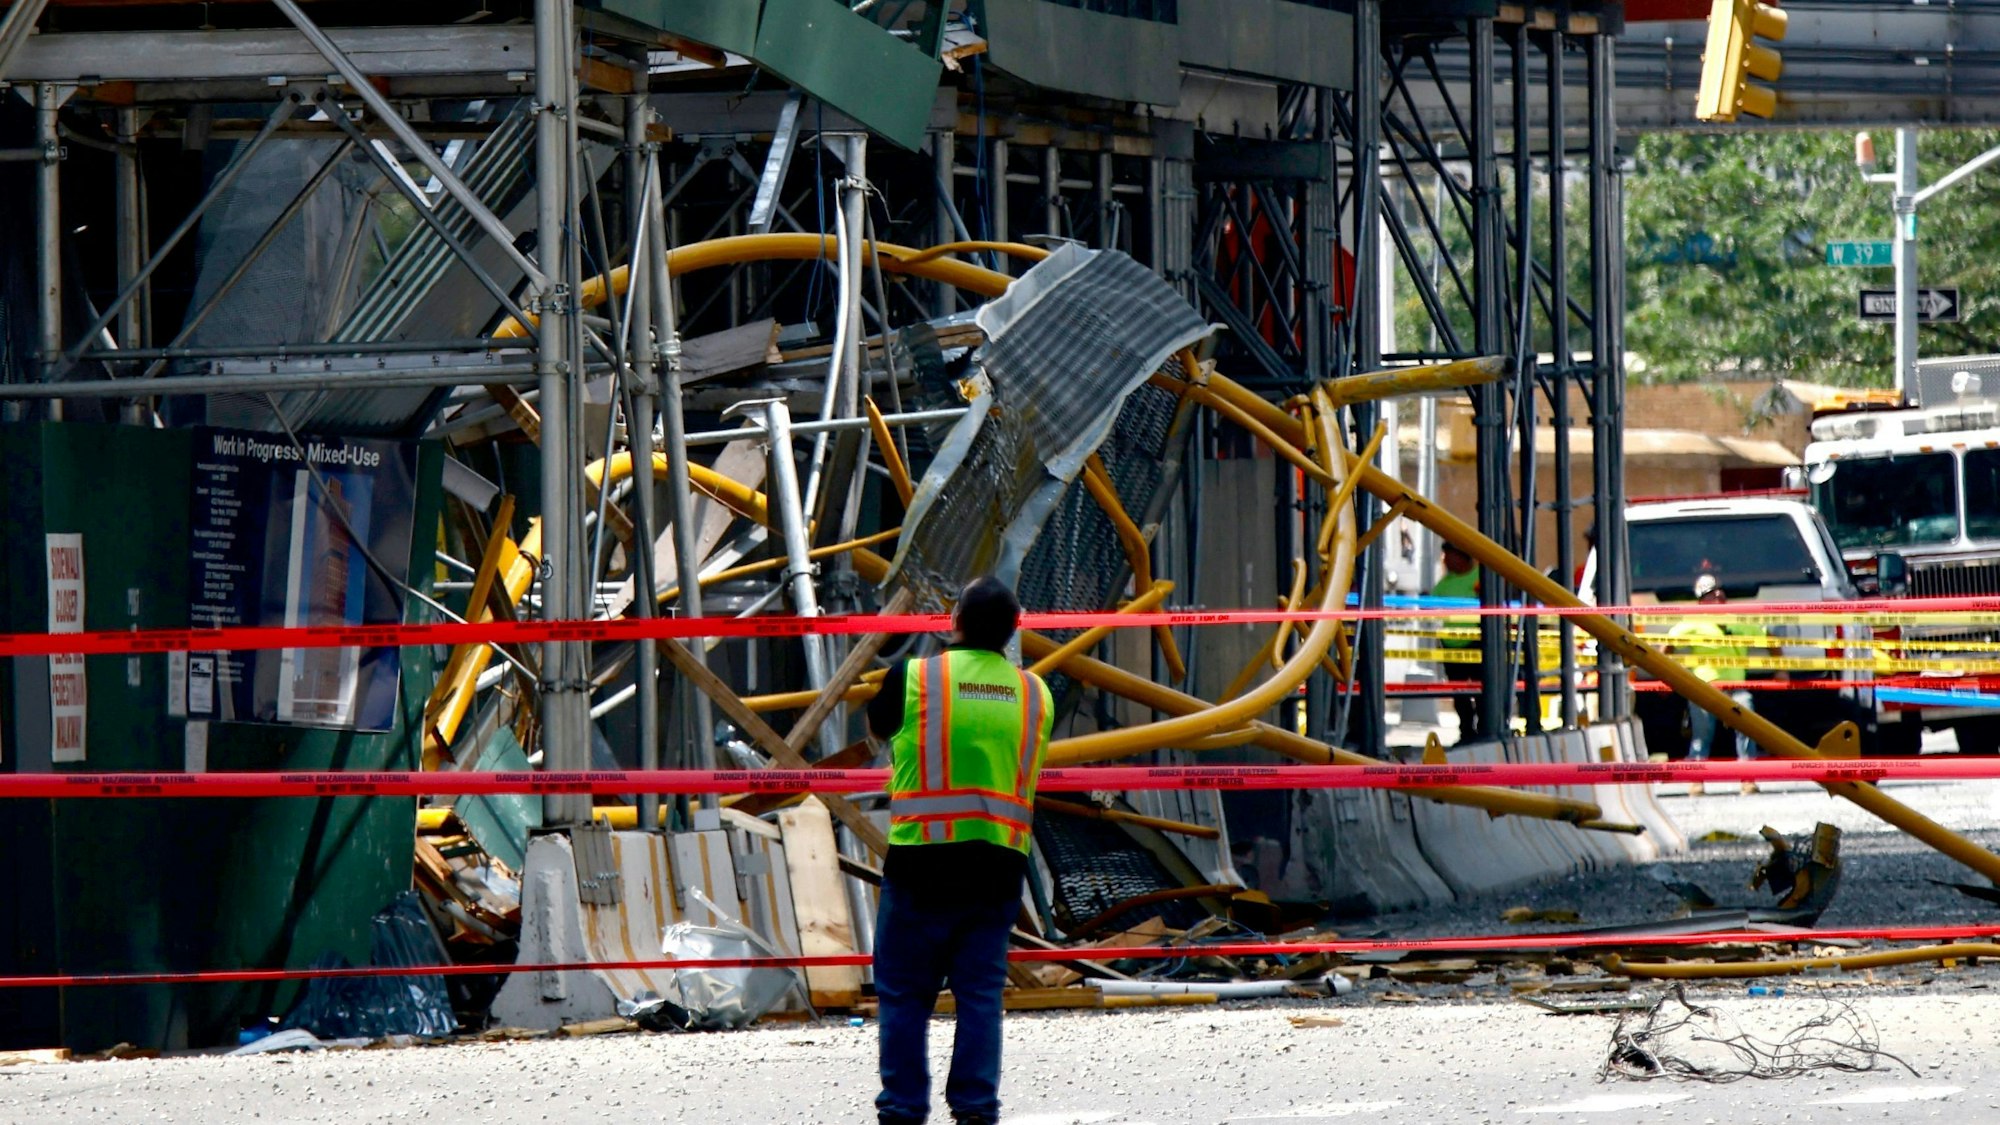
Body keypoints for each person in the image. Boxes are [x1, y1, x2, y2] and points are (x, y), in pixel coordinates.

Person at [866, 576, 1054, 1125]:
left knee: (903, 995)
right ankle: (975, 1108)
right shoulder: (1036, 695)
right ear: (1015, 630)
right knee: (979, 996)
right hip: (997, 867)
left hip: (921, 861)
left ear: (956, 623)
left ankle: (902, 1109)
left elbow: (879, 728)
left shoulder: (916, 678)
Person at [1667, 573, 1765, 796]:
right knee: (1702, 735)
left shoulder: (1739, 620)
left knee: (1748, 728)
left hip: (1737, 688)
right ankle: (1696, 780)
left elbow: (1767, 639)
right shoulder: (1692, 622)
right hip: (1705, 689)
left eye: (1720, 591)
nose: (1719, 595)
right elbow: (1668, 644)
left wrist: (1781, 670)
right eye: (1712, 594)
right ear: (1701, 601)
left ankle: (1748, 779)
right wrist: (1670, 672)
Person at [1431, 542, 1484, 744]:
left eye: (1448, 555)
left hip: (1475, 643)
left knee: (1481, 691)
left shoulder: (1479, 577)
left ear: (1461, 556)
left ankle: (1484, 728)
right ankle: (1467, 731)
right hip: (1451, 648)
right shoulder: (1444, 584)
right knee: (1459, 694)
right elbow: (1429, 605)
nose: (1445, 560)